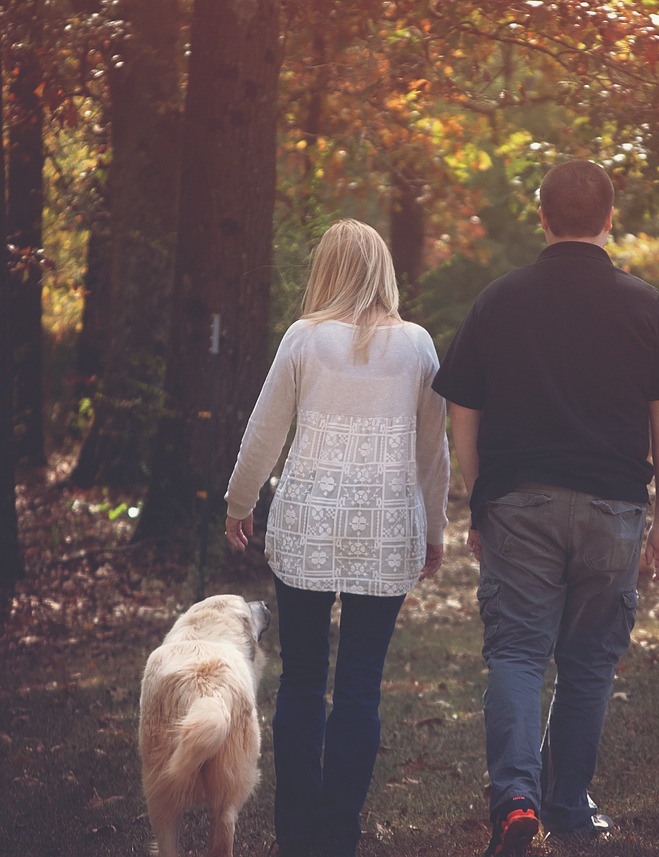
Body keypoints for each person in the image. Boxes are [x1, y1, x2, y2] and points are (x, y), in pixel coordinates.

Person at [432, 160, 659, 857]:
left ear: (542, 219)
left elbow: (462, 405)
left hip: (520, 501)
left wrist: (479, 493)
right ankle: (568, 804)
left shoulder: (499, 299)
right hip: (614, 508)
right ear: (610, 220)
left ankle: (516, 801)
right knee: (588, 662)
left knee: (517, 654)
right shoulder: (644, 304)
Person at [223, 218, 450, 857]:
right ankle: (337, 832)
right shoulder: (418, 347)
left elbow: (263, 432)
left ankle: (296, 834)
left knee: (300, 680)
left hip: (305, 529)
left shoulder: (304, 339)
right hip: (385, 532)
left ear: (326, 270)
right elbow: (433, 454)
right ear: (383, 271)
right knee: (359, 684)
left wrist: (238, 504)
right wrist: (433, 530)